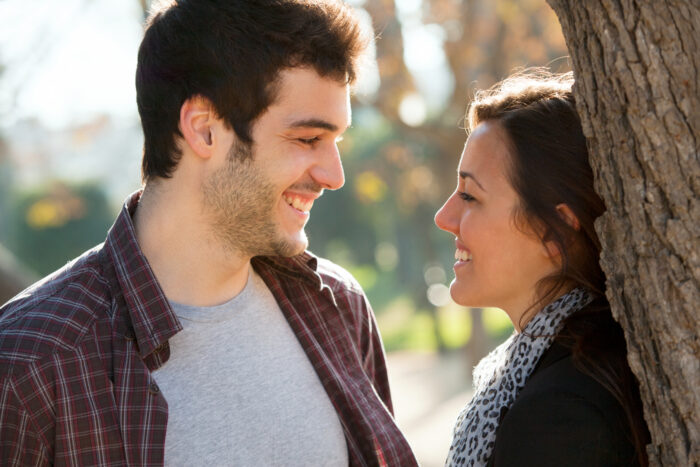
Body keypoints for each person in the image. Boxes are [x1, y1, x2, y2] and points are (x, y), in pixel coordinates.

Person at [0, 1, 418, 465]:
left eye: (336, 141)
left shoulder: (339, 306)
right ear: (204, 131)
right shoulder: (29, 365)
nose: (334, 175)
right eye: (307, 139)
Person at [435, 70, 650, 466]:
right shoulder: (549, 375)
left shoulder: (560, 415)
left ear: (554, 231)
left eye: (469, 195)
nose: (443, 217)